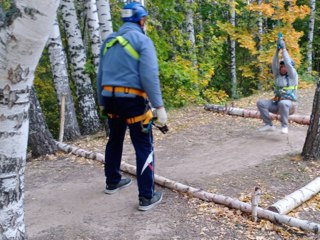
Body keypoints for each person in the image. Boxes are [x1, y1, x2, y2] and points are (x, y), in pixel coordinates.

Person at [96, 2, 167, 211]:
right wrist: (159, 107)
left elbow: (100, 75)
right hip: (132, 101)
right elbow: (149, 76)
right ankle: (147, 196)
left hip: (110, 99)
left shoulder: (109, 41)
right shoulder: (142, 41)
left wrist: (101, 102)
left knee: (115, 140)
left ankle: (112, 181)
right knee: (143, 145)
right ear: (142, 20)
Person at [257, 39, 298, 134]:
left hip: (290, 105)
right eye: (281, 66)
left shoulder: (293, 76)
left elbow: (288, 63)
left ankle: (284, 126)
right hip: (277, 104)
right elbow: (274, 63)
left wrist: (284, 49)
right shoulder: (277, 75)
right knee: (261, 103)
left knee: (283, 103)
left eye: (285, 67)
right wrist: (277, 51)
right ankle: (268, 124)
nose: (283, 68)